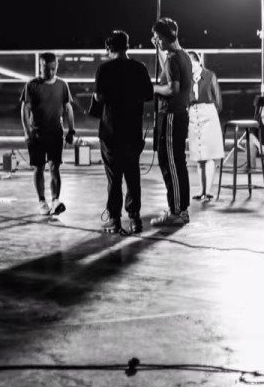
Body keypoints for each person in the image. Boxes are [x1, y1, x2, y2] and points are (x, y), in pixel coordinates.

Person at [94, 31, 153, 235]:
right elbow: (148, 94)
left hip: (110, 131)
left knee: (114, 177)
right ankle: (135, 219)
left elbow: (99, 97)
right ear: (127, 46)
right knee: (132, 175)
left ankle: (114, 219)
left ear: (109, 48)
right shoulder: (139, 68)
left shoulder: (104, 69)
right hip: (132, 131)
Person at [21, 53, 76, 215]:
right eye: (46, 69)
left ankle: (55, 200)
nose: (50, 72)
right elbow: (25, 109)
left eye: (53, 69)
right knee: (39, 168)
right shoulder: (31, 85)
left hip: (55, 134)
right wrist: (27, 131)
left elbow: (68, 108)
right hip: (36, 134)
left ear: (56, 66)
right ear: (40, 66)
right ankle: (42, 201)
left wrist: (71, 130)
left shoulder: (62, 85)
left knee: (55, 167)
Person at [150, 17, 192, 225]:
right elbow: (167, 72)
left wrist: (154, 89)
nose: (157, 41)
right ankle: (179, 208)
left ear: (167, 37)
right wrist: (159, 50)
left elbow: (172, 88)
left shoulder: (174, 58)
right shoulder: (183, 56)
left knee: (170, 163)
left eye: (159, 38)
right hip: (179, 115)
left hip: (171, 115)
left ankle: (177, 211)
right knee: (176, 162)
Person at [186, 51, 223, 201]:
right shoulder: (187, 78)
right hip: (193, 114)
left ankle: (207, 191)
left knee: (209, 155)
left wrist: (211, 113)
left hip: (208, 113)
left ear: (197, 61)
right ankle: (201, 190)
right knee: (199, 155)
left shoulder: (209, 75)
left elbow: (218, 100)